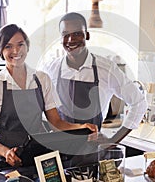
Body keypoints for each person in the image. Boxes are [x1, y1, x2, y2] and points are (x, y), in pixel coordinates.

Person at [0, 24, 97, 182]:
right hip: (4, 162)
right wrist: (6, 152)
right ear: (1, 51)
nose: (16, 51)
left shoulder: (42, 79)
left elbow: (56, 122)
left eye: (21, 44)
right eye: (8, 46)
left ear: (27, 46)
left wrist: (81, 128)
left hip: (39, 159)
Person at [42, 12, 148, 145]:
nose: (70, 40)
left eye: (76, 33)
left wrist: (113, 141)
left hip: (92, 151)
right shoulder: (51, 69)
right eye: (65, 34)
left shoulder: (106, 69)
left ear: (87, 35)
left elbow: (139, 103)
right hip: (59, 149)